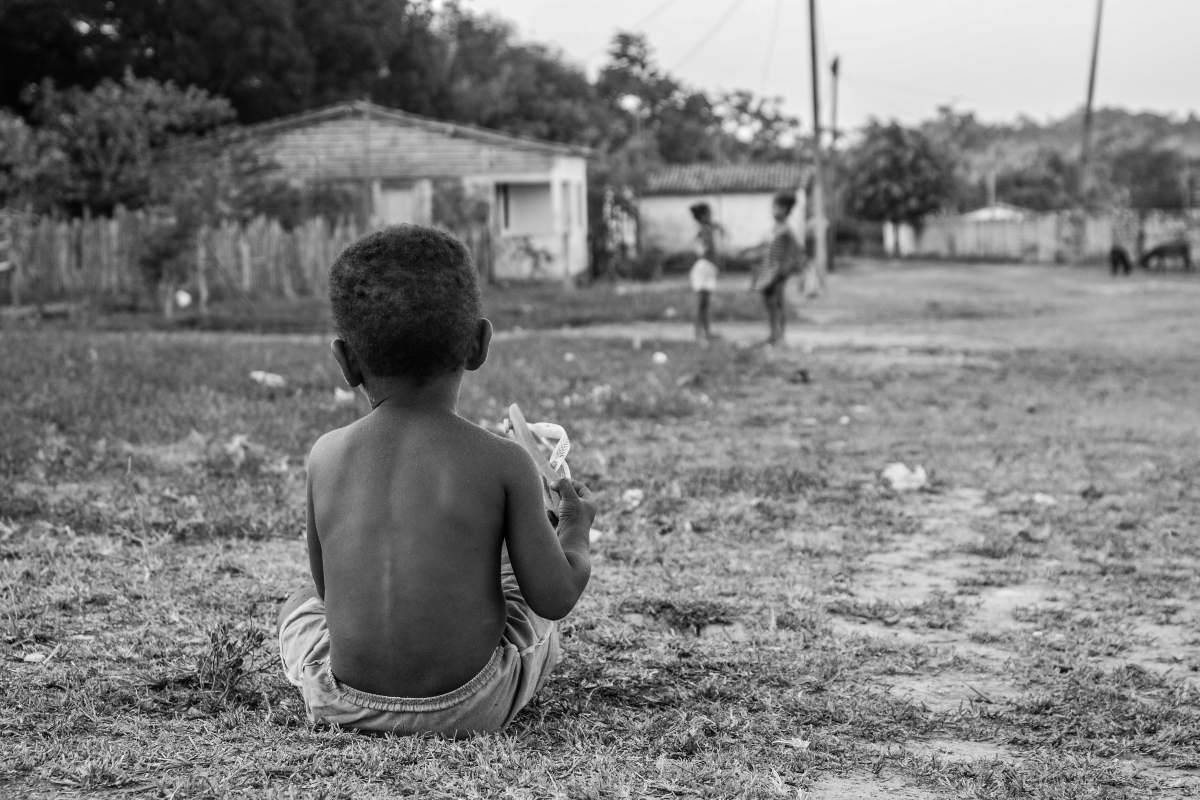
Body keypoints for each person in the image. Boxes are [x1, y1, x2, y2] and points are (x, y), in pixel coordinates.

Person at [276, 225, 596, 736]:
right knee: (532, 614)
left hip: (342, 704)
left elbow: (325, 592)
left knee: (299, 606)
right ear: (478, 344)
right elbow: (555, 597)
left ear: (346, 361)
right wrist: (574, 530)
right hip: (470, 707)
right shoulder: (505, 460)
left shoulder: (324, 455)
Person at [750, 191, 805, 346]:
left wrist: (786, 270)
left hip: (778, 273)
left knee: (777, 302)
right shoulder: (774, 228)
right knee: (769, 302)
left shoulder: (786, 229)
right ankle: (773, 333)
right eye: (773, 207)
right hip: (768, 271)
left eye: (777, 208)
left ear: (786, 210)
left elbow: (796, 250)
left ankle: (780, 335)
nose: (774, 211)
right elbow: (766, 247)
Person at [688, 202, 721, 341]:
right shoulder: (703, 230)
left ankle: (706, 332)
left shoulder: (706, 228)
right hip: (704, 267)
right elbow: (701, 248)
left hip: (709, 267)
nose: (711, 216)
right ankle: (698, 332)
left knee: (705, 303)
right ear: (702, 216)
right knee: (701, 302)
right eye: (709, 214)